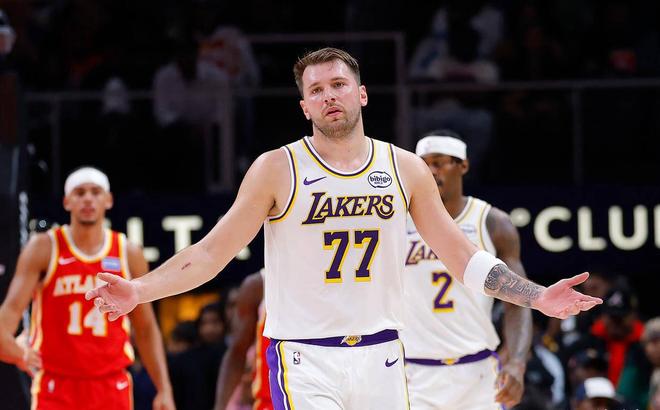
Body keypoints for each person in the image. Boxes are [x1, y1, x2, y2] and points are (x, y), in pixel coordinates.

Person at [86, 47, 601, 409]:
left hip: (384, 353)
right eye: (316, 90)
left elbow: (463, 257)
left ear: (362, 94)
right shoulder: (277, 168)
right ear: (304, 106)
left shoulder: (405, 168)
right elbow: (210, 253)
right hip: (305, 355)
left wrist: (537, 296)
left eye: (338, 85)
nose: (329, 96)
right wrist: (140, 289)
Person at [0, 167, 175, 410]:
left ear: (108, 200)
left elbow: (145, 328)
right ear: (67, 201)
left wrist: (164, 388)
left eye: (95, 192)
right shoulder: (43, 248)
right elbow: (9, 313)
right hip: (56, 385)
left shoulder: (128, 253)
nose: (88, 199)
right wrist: (17, 352)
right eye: (80, 192)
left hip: (111, 384)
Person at [400, 130, 532, 409]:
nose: (431, 171)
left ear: (463, 165)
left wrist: (517, 362)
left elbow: (517, 301)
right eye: (425, 164)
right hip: (413, 372)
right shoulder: (398, 221)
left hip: (478, 371)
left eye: (439, 162)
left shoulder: (492, 223)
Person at [215, 269, 272, 410]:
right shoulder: (258, 285)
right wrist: (220, 406)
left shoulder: (322, 281)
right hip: (269, 403)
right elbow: (236, 353)